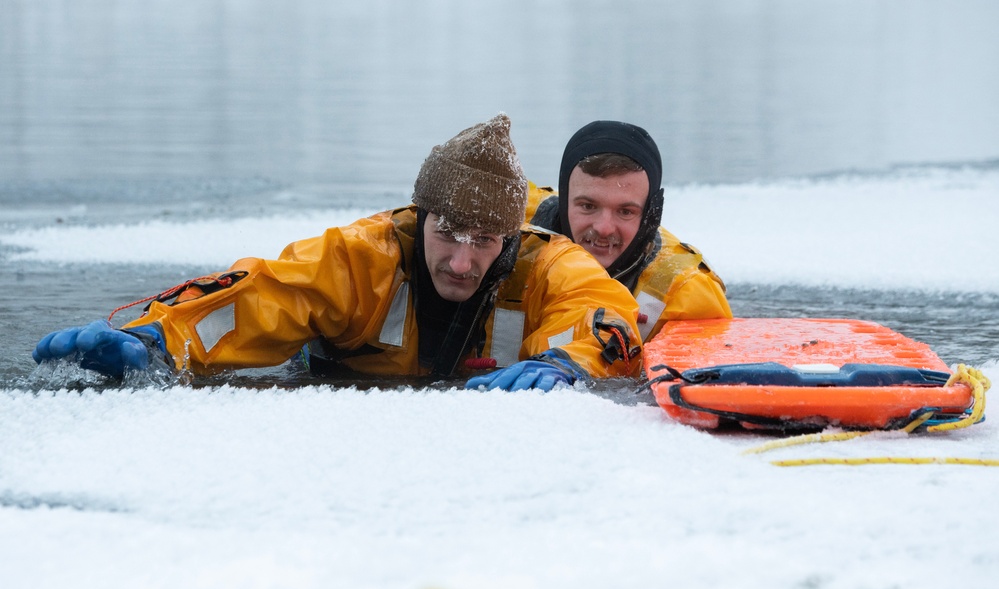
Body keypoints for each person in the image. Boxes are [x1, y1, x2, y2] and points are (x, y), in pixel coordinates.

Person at [32, 114, 641, 391]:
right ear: (419, 217)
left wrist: (570, 364)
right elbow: (262, 295)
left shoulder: (546, 263)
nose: (461, 262)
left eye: (483, 242)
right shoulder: (359, 259)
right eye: (447, 234)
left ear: (509, 240)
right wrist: (158, 339)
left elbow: (599, 310)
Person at [527, 120, 731, 342]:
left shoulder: (688, 295)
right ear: (565, 199)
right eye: (588, 206)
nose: (603, 228)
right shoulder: (506, 227)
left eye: (625, 211)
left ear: (649, 215)